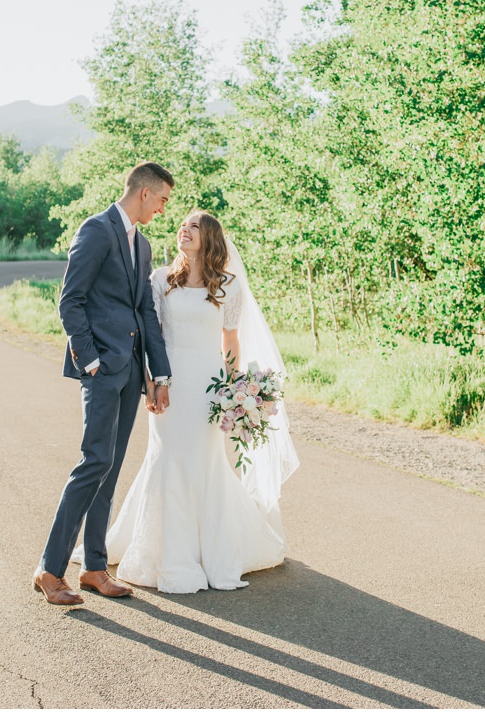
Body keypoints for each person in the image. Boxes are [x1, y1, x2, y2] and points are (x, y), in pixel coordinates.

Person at [78, 208, 298, 593]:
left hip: (209, 386)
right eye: (183, 224)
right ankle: (165, 552)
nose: (184, 229)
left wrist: (234, 390)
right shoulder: (161, 280)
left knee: (205, 462)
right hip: (170, 380)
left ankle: (211, 550)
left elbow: (231, 340)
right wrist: (150, 380)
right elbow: (152, 335)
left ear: (209, 238)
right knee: (166, 458)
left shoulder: (229, 286)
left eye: (194, 226)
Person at [34, 162, 175, 605]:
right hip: (100, 369)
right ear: (145, 193)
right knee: (92, 463)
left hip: (131, 371)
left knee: (110, 468)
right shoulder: (95, 230)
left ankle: (94, 568)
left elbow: (144, 313)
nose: (164, 208)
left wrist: (158, 374)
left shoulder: (144, 244)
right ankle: (50, 569)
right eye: (163, 199)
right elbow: (70, 300)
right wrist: (89, 361)